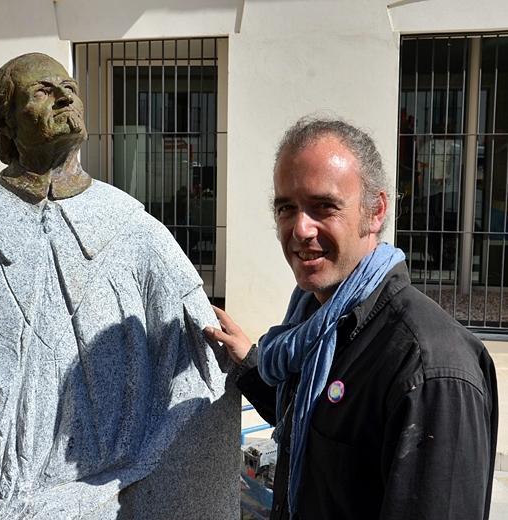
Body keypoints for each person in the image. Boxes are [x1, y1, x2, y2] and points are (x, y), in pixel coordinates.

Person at [0, 53, 233, 519]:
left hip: (113, 495)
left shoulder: (135, 231)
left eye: (70, 87)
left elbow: (201, 353)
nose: (64, 95)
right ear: (6, 128)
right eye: (42, 90)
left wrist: (259, 365)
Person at [205, 117, 498, 520]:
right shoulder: (316, 325)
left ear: (375, 212)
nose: (300, 229)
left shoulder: (432, 369)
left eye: (324, 206)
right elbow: (315, 425)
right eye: (286, 208)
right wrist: (252, 364)